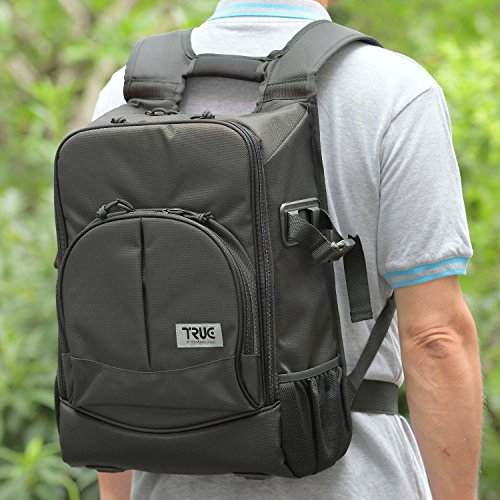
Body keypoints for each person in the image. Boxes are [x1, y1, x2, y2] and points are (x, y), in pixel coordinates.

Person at [92, 1, 482, 499]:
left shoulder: (127, 93)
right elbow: (435, 338)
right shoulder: (392, 89)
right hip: (352, 477)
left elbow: (110, 325)